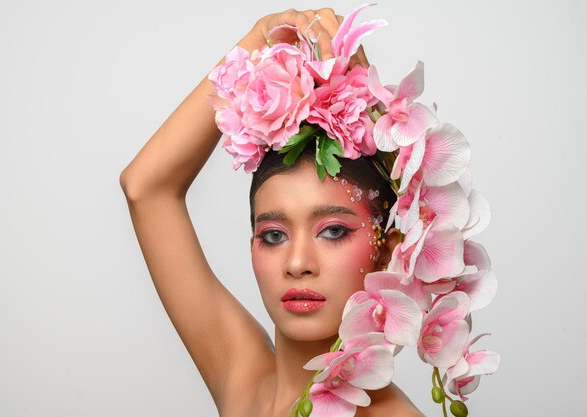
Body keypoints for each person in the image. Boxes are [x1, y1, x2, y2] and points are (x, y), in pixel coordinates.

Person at [120, 7, 425, 417]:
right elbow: (145, 188)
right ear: (252, 245)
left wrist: (377, 117)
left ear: (386, 253)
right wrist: (263, 38)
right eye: (274, 235)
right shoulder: (243, 378)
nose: (297, 263)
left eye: (333, 231)